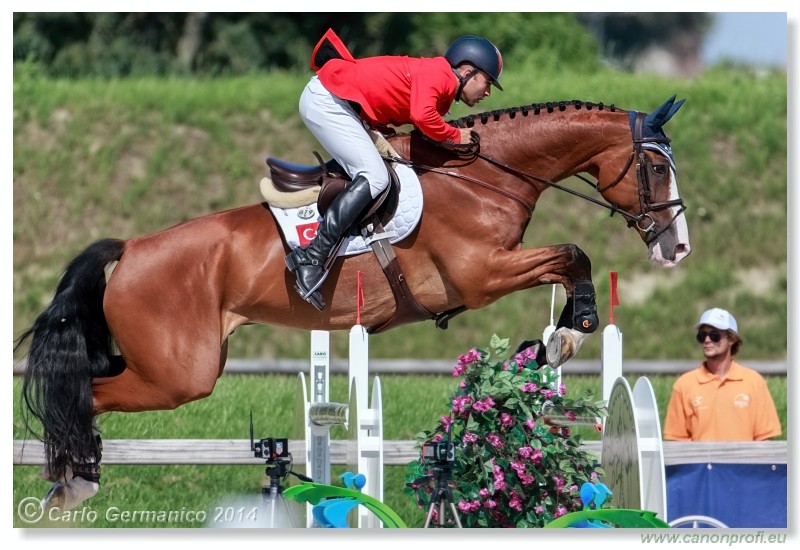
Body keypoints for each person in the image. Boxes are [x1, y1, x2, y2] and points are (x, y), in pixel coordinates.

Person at [284, 30, 504, 310]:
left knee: (379, 170)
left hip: (338, 103)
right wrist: (454, 136)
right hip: (328, 101)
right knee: (375, 177)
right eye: (488, 82)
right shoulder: (439, 75)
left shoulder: (442, 83)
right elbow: (423, 117)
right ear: (467, 70)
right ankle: (312, 256)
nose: (487, 92)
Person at [663, 307, 781, 441]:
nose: (707, 340)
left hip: (744, 462)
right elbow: (677, 442)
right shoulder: (683, 385)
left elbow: (764, 440)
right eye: (702, 336)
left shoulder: (754, 382)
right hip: (700, 463)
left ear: (731, 339)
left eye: (714, 335)